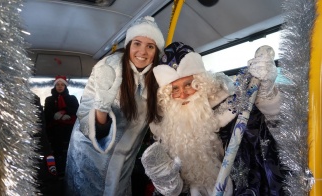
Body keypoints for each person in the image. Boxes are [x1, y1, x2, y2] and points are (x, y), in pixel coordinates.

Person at [141, 42, 285, 195]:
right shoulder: (166, 131)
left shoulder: (233, 109)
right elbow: (176, 191)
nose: (183, 94)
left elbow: (277, 135)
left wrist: (267, 96)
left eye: (189, 84)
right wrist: (168, 184)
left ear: (202, 83)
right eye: (175, 88)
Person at [65, 16, 164, 195]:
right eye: (137, 43)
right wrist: (102, 108)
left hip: (124, 161)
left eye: (150, 46)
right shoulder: (108, 68)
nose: (142, 51)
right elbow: (85, 122)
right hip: (90, 156)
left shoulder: (156, 80)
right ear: (128, 45)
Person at [44, 75, 79, 178]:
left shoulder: (72, 98)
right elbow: (47, 114)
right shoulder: (49, 99)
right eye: (58, 84)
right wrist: (55, 116)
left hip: (69, 127)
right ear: (55, 86)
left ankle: (68, 169)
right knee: (57, 138)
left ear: (65, 86)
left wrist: (66, 112)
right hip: (54, 128)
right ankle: (57, 169)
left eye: (62, 84)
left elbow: (78, 111)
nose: (60, 87)